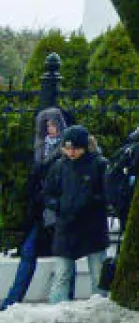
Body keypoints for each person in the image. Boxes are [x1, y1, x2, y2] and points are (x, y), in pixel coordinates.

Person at [1, 109, 67, 310]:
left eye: (53, 124)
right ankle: (13, 299)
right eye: (46, 125)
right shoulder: (40, 150)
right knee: (29, 252)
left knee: (64, 258)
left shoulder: (65, 150)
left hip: (56, 211)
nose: (50, 129)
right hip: (40, 212)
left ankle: (61, 301)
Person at [44, 125, 110, 303]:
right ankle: (57, 310)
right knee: (62, 274)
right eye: (67, 148)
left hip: (92, 226)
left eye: (75, 148)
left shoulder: (99, 164)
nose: (71, 153)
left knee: (98, 275)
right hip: (67, 225)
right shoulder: (59, 166)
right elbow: (48, 193)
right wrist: (60, 205)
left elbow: (108, 194)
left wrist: (89, 202)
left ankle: (99, 309)